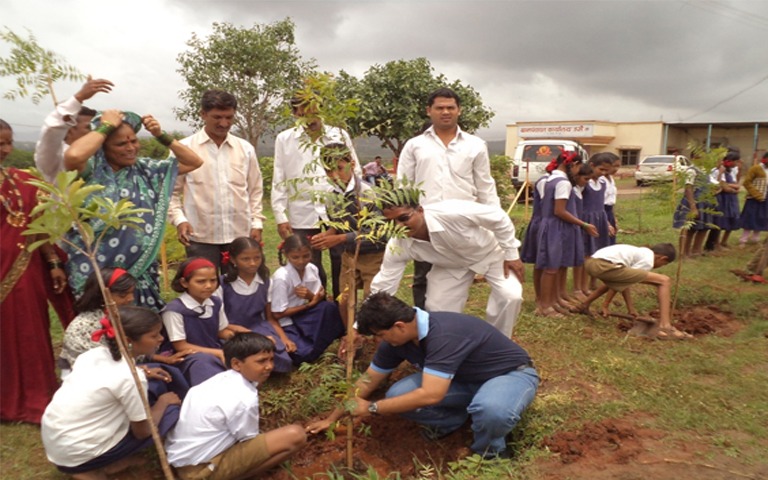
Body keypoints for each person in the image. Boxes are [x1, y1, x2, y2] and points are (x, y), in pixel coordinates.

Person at [306, 292, 539, 460]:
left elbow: (431, 394)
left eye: (379, 335)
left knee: (492, 410)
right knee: (399, 394)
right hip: (462, 380)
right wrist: (331, 418)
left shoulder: (445, 334)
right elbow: (368, 380)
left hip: (508, 375)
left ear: (399, 325)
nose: (378, 342)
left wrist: (372, 408)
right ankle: (453, 421)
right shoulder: (396, 341)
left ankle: (488, 453)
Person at [63, 110, 203, 308]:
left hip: (140, 271)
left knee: (143, 329)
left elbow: (194, 161)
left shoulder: (146, 169)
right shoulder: (91, 171)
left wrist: (160, 135)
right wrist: (106, 127)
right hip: (95, 269)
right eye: (121, 144)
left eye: (134, 141)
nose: (131, 148)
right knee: (101, 329)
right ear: (103, 147)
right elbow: (73, 155)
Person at [41, 306, 182, 479]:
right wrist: (163, 402)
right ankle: (95, 467)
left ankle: (102, 463)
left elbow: (108, 380)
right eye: (154, 336)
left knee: (149, 391)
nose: (161, 339)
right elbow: (143, 432)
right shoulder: (130, 378)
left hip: (56, 442)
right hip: (78, 455)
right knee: (170, 412)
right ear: (129, 340)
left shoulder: (93, 354)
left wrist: (142, 371)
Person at [397, 87, 500, 308]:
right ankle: (422, 327)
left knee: (459, 276)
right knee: (422, 276)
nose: (445, 112)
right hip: (426, 224)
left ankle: (449, 326)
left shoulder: (475, 145)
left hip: (464, 223)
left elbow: (485, 185)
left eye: (450, 107)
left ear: (459, 110)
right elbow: (403, 187)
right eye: (440, 107)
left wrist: (494, 219)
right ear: (429, 111)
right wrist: (406, 222)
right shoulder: (415, 145)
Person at [370, 192, 524, 336]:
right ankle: (449, 346)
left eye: (404, 218)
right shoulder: (397, 244)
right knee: (437, 308)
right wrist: (360, 324)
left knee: (510, 296)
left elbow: (499, 218)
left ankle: (497, 342)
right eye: (390, 222)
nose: (398, 227)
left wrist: (511, 254)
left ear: (420, 210)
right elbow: (385, 282)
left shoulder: (451, 211)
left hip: (490, 254)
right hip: (451, 267)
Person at [1, 119, 74, 424]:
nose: (6, 149)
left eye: (8, 142)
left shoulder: (21, 181)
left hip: (25, 269)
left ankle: (35, 395)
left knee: (30, 331)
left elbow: (38, 228)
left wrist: (54, 262)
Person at [165, 333, 307, 480]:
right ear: (236, 364)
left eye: (271, 359)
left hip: (182, 460)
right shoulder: (243, 398)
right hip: (201, 470)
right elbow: (247, 439)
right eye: (261, 361)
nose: (269, 366)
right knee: (295, 435)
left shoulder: (216, 381)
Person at [271, 94, 362, 300]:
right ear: (295, 114)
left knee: (342, 260)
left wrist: (352, 204)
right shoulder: (285, 139)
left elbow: (354, 169)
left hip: (337, 209)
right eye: (303, 113)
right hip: (302, 210)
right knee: (308, 262)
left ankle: (342, 312)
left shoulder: (339, 135)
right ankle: (316, 306)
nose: (309, 117)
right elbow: (280, 176)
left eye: (314, 110)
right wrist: (279, 214)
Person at [169, 90, 265, 272]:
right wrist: (179, 220)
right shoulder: (183, 149)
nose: (224, 123)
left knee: (240, 288)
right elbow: (170, 192)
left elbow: (255, 190)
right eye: (217, 117)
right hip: (199, 236)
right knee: (205, 290)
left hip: (240, 235)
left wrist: (257, 223)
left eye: (229, 117)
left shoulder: (245, 149)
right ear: (203, 114)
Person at [310, 143, 387, 299]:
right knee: (344, 299)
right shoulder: (331, 196)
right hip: (349, 254)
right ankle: (347, 324)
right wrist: (328, 235)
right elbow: (338, 225)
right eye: (328, 170)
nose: (334, 175)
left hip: (373, 255)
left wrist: (339, 238)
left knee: (372, 300)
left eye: (339, 168)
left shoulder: (368, 193)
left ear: (352, 164)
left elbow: (378, 233)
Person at [577, 243, 694, 340]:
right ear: (662, 258)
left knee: (618, 279)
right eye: (663, 264)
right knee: (664, 281)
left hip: (591, 263)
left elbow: (623, 283)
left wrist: (630, 308)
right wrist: (605, 305)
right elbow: (619, 284)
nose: (660, 266)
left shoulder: (642, 252)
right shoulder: (648, 261)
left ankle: (584, 305)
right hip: (602, 265)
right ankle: (665, 327)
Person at [162, 258, 249, 386]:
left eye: (213, 280)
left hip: (214, 349)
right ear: (184, 283)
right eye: (201, 281)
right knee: (206, 366)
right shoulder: (174, 310)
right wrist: (219, 353)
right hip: (190, 357)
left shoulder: (215, 302)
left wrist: (243, 339)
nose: (209, 286)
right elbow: (181, 346)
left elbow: (220, 331)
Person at [215, 237, 293, 373]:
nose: (252, 263)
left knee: (283, 360)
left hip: (258, 327)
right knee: (243, 351)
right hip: (232, 330)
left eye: (257, 258)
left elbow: (270, 318)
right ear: (233, 260)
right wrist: (252, 334)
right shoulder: (222, 284)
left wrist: (284, 338)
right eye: (245, 259)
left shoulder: (266, 282)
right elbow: (218, 321)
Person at [535, 151, 596, 317]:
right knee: (551, 268)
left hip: (550, 225)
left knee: (553, 266)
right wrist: (583, 224)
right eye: (578, 167)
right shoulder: (563, 183)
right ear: (574, 165)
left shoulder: (550, 179)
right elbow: (560, 210)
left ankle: (552, 302)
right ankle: (545, 307)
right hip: (557, 227)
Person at [269, 234, 345, 364]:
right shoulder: (281, 278)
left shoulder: (312, 269)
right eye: (295, 257)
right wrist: (310, 304)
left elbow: (319, 297)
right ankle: (313, 344)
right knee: (302, 354)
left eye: (306, 256)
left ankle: (314, 342)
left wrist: (310, 297)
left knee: (329, 308)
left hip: (305, 315)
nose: (301, 261)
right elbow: (277, 314)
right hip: (288, 320)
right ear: (286, 255)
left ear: (311, 253)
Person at [35, 76, 114, 182]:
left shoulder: (101, 155)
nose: (94, 132)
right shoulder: (55, 158)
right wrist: (79, 97)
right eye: (89, 127)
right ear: (70, 129)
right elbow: (51, 130)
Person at [673, 161, 714, 257]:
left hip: (704, 203)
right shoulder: (691, 171)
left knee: (703, 227)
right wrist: (693, 206)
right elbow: (688, 188)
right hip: (693, 202)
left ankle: (696, 250)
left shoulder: (704, 171)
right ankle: (684, 253)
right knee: (688, 228)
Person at [706, 151, 741, 250]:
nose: (736, 164)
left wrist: (732, 186)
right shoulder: (717, 171)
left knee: (729, 219)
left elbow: (735, 184)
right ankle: (714, 244)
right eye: (736, 161)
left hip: (730, 198)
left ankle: (722, 242)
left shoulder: (731, 170)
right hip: (721, 198)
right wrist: (732, 188)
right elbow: (721, 185)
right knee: (720, 221)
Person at [737, 152, 768, 247]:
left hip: (765, 197)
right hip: (754, 198)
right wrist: (756, 194)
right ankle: (743, 239)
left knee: (761, 218)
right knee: (750, 218)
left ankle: (755, 238)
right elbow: (747, 182)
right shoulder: (756, 168)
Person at [603, 153, 622, 246]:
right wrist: (606, 223)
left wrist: (614, 218)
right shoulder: (600, 180)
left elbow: (611, 201)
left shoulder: (611, 179)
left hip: (609, 211)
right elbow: (599, 203)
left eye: (618, 166)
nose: (616, 169)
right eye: (614, 166)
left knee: (611, 239)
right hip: (602, 212)